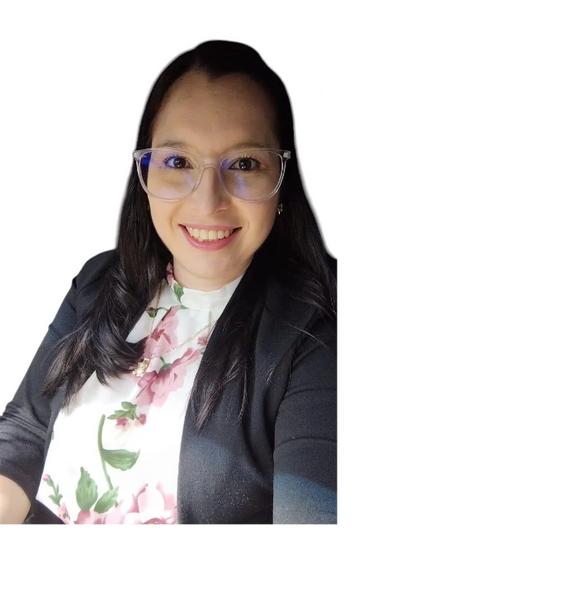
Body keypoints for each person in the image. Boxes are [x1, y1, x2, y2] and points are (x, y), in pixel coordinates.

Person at [0, 40, 340, 527]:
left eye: (245, 164)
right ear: (145, 173)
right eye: (178, 163)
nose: (207, 202)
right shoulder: (101, 282)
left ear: (281, 180)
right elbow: (24, 434)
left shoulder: (318, 330)